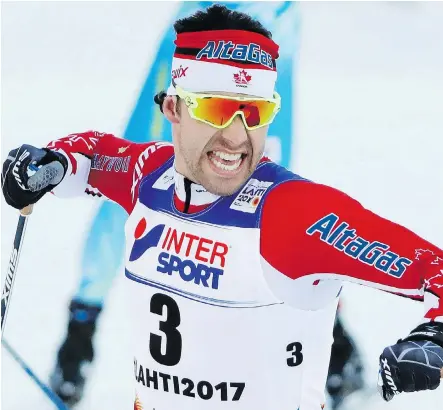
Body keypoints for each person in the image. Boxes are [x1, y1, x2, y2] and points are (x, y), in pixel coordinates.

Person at [2, 5, 442, 410]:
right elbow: (95, 157)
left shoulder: (291, 211)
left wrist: (434, 338)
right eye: (216, 110)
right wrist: (52, 163)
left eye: (255, 113)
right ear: (173, 108)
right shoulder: (150, 176)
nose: (236, 136)